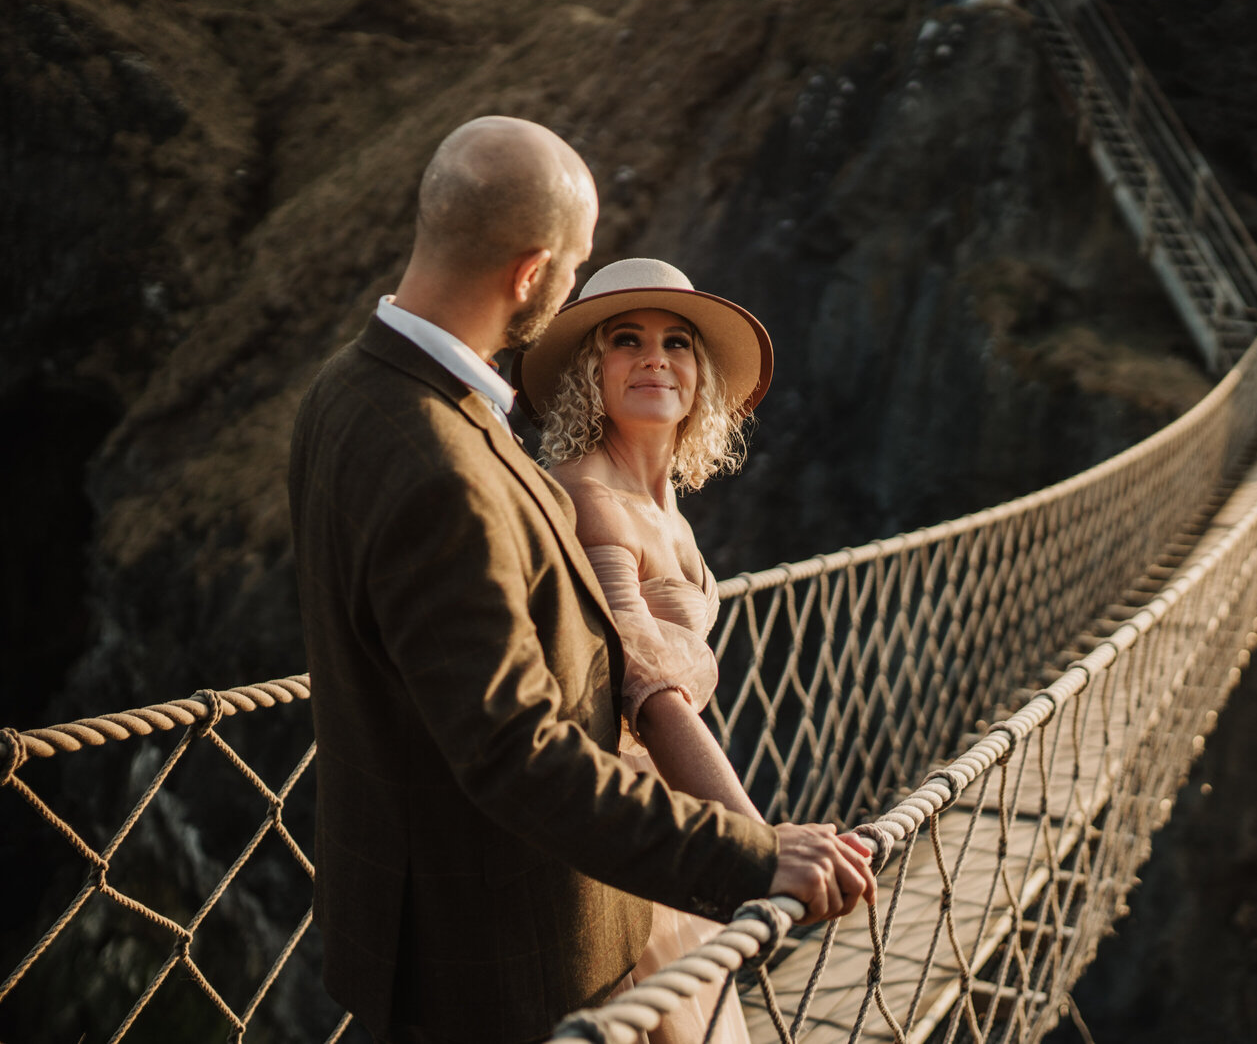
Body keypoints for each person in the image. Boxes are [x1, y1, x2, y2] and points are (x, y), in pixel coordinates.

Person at [287, 116, 875, 1044]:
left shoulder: (343, 392)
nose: (568, 290)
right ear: (530, 274)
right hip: (498, 948)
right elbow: (514, 747)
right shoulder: (444, 463)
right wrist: (753, 853)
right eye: (574, 268)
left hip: (423, 910)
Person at [514, 257, 775, 1044]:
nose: (656, 357)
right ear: (591, 374)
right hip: (624, 834)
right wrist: (758, 847)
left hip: (672, 822)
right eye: (626, 340)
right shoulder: (590, 497)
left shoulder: (670, 514)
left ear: (701, 374)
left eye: (677, 342)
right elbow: (645, 687)